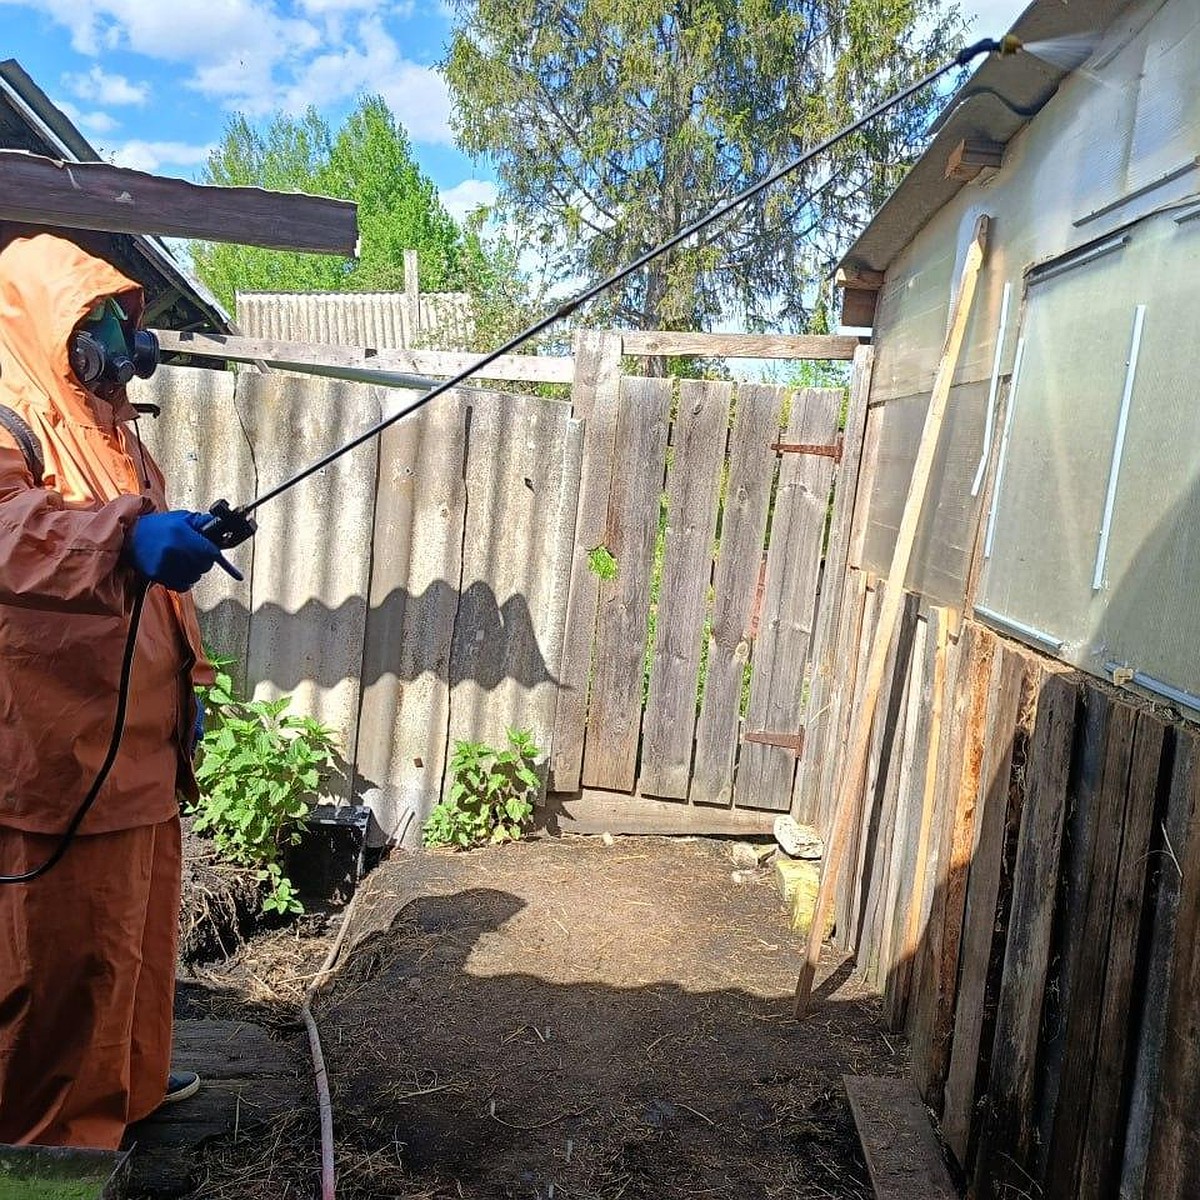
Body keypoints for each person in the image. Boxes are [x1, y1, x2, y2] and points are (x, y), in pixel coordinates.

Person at [0, 233, 238, 1148]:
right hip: (62, 764)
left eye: (120, 322)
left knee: (131, 952)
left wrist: (191, 685)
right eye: (92, 323)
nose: (115, 342)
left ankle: (128, 1086)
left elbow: (145, 582)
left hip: (139, 757)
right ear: (43, 327)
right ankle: (47, 1160)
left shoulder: (117, 435)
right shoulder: (12, 418)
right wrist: (124, 538)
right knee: (61, 972)